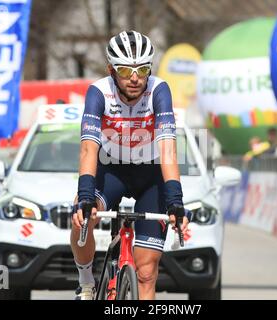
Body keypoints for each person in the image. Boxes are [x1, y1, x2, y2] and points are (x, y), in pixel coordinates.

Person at [70, 30, 189, 300]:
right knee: (80, 218)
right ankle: (86, 282)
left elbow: (168, 149)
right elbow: (89, 147)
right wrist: (86, 196)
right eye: (125, 71)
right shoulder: (98, 92)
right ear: (111, 70)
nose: (135, 79)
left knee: (146, 272)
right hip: (111, 170)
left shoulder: (159, 90)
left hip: (150, 174)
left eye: (143, 69)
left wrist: (175, 201)